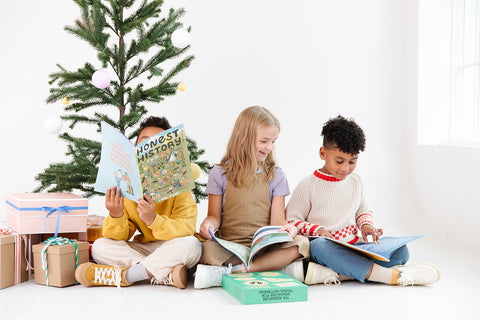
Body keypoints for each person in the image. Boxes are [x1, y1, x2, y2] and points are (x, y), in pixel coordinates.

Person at [286, 115, 440, 286]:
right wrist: (318, 229)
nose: (346, 168)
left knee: (400, 252)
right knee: (320, 246)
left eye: (352, 161)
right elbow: (291, 221)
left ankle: (338, 273)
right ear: (323, 153)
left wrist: (366, 225)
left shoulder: (356, 182)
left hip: (355, 247)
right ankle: (392, 277)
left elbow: (363, 211)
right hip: (325, 249)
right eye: (339, 161)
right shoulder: (308, 185)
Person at [75, 116, 201, 289]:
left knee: (192, 245)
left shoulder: (179, 183)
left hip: (170, 245)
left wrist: (153, 220)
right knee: (99, 246)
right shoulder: (128, 184)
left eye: (158, 143)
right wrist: (116, 214)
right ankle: (164, 274)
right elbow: (120, 237)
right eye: (145, 141)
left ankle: (127, 275)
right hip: (143, 249)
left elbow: (186, 228)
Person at [194, 106, 309, 289]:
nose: (269, 147)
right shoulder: (219, 173)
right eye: (264, 141)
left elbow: (277, 221)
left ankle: (242, 270)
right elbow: (214, 216)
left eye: (273, 141)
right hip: (230, 246)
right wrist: (208, 225)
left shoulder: (276, 175)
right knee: (203, 247)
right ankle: (271, 268)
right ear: (243, 138)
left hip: (264, 248)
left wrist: (288, 229)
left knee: (301, 244)